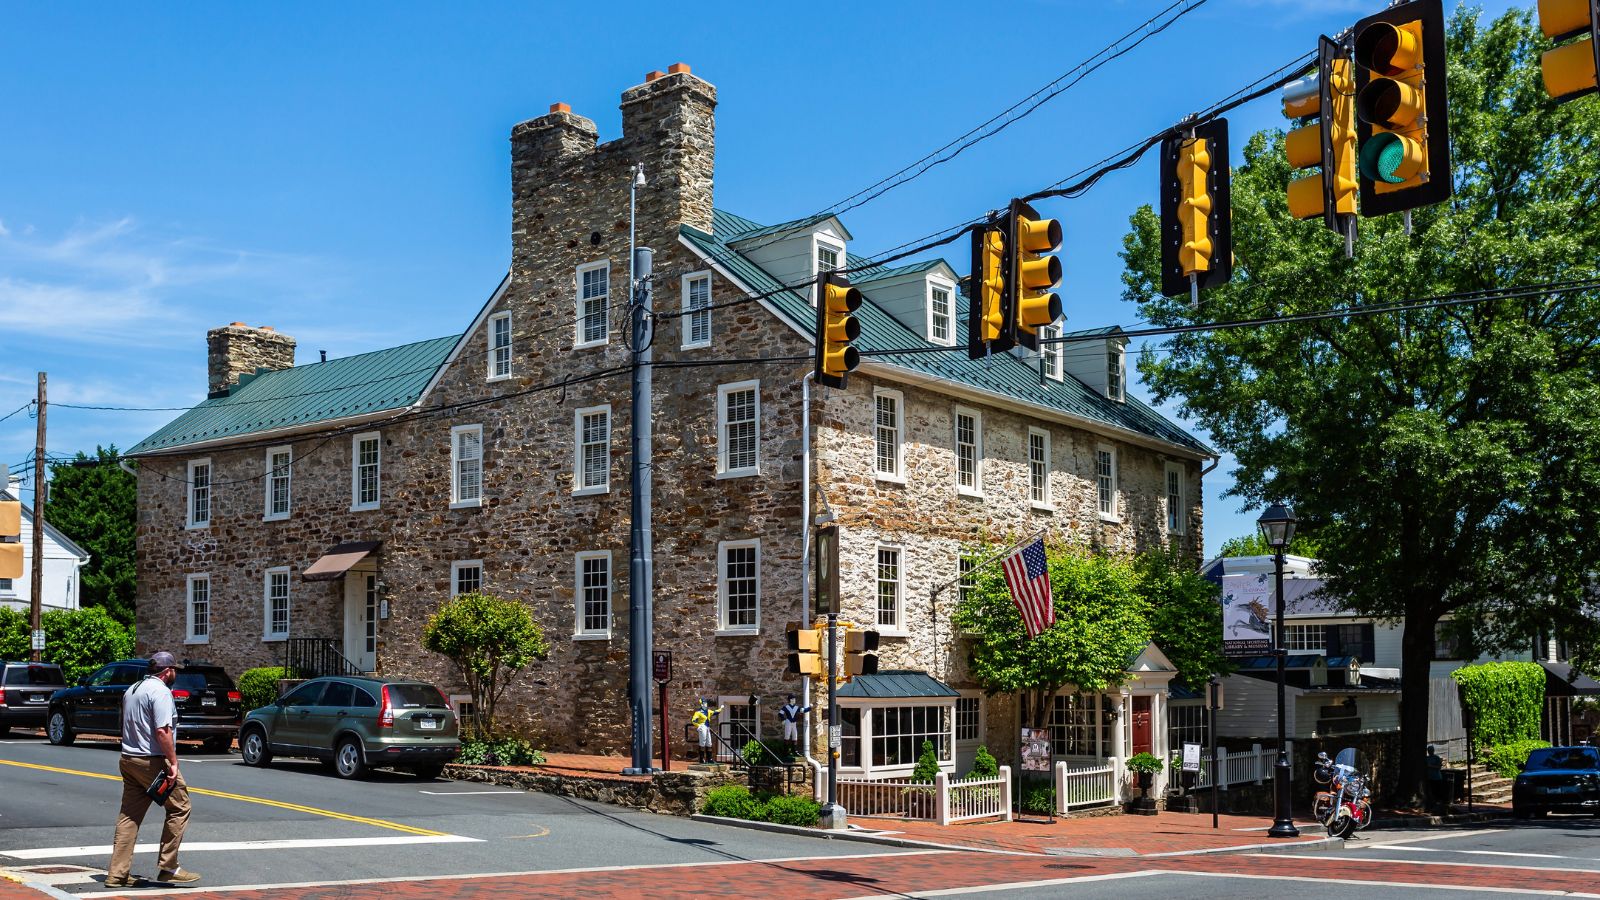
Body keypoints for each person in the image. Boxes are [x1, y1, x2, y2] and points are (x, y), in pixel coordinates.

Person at [105, 652, 198, 887]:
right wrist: (173, 762)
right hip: (152, 761)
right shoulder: (161, 692)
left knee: (129, 816)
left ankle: (117, 874)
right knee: (180, 807)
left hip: (129, 758)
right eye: (174, 670)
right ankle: (169, 866)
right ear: (167, 672)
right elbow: (162, 731)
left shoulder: (133, 689)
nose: (175, 673)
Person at [690, 698, 723, 763]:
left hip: (707, 727)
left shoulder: (708, 711)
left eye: (706, 703)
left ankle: (709, 758)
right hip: (702, 726)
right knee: (702, 742)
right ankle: (702, 759)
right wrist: (698, 725)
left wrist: (721, 708)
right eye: (704, 703)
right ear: (702, 704)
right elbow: (693, 720)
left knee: (709, 743)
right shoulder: (698, 712)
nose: (706, 704)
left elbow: (715, 712)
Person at [1425, 744, 1445, 814]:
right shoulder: (1426, 758)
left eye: (1431, 750)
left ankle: (1439, 806)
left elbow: (1439, 767)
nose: (1430, 751)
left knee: (1437, 792)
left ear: (1433, 751)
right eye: (1428, 750)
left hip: (1437, 778)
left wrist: (1430, 766)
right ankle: (1432, 806)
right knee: (1431, 793)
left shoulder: (1436, 757)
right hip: (1430, 778)